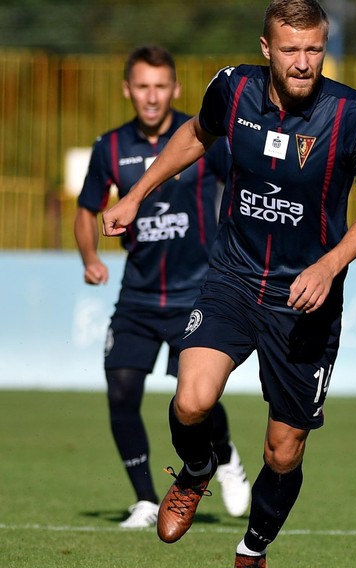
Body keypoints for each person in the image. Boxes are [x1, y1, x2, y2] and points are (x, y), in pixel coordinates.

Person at [100, 1, 356, 568]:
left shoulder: (352, 112)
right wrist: (136, 194)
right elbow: (194, 135)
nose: (303, 61)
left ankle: (253, 551)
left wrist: (330, 264)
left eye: (313, 48)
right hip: (233, 279)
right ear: (267, 49)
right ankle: (197, 469)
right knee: (191, 401)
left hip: (304, 299)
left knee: (283, 451)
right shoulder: (231, 90)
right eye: (291, 49)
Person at [73, 45, 250, 529]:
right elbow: (86, 209)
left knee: (196, 399)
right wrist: (90, 257)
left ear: (174, 89)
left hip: (198, 292)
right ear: (128, 90)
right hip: (138, 297)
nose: (152, 97)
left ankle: (226, 455)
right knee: (121, 390)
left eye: (160, 86)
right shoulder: (109, 147)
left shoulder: (201, 136)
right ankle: (147, 500)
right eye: (142, 87)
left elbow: (240, 186)